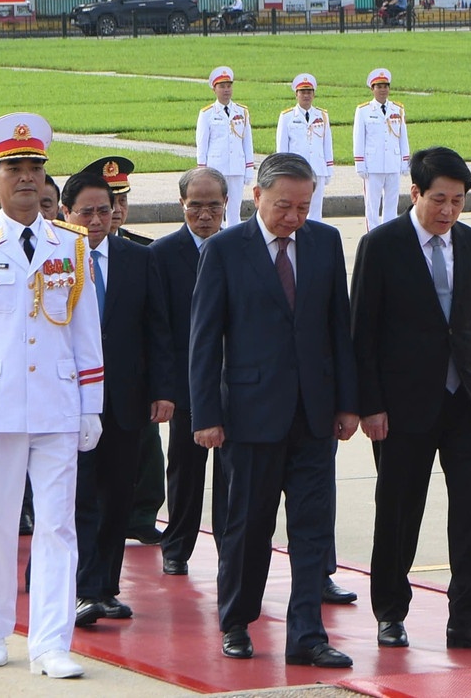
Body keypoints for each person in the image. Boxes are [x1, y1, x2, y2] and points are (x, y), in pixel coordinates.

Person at [0, 113, 103, 678]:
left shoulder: (70, 244)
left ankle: (52, 642)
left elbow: (85, 329)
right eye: (14, 170)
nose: (25, 179)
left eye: (34, 169)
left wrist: (91, 404)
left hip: (55, 404)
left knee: (57, 526)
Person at [189, 152, 359, 668]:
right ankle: (237, 621)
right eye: (285, 206)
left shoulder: (325, 243)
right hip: (250, 414)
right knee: (248, 525)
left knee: (312, 529)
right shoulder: (223, 250)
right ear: (257, 196)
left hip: (313, 415)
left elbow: (338, 328)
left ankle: (307, 633)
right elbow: (204, 339)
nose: (295, 218)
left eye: (304, 207)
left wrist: (348, 404)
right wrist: (205, 415)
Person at [351, 146, 471, 654]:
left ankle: (469, 620)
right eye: (439, 199)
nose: (448, 211)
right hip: (402, 407)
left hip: (464, 399)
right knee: (399, 510)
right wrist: (370, 405)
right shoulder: (382, 245)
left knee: (470, 511)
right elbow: (363, 334)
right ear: (415, 193)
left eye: (458, 201)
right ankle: (391, 614)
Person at [61, 170, 173, 628]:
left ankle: (105, 588)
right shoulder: (54, 260)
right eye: (85, 212)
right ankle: (80, 588)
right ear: (67, 213)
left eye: (103, 211)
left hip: (126, 403)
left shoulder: (138, 258)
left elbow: (157, 328)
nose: (95, 220)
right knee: (79, 497)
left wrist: (163, 391)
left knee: (117, 499)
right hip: (68, 402)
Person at [152, 167, 229, 576]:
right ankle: (177, 545)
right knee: (185, 468)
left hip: (234, 381)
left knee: (232, 474)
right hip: (185, 384)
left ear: (226, 205)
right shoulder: (161, 255)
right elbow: (159, 329)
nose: (204, 215)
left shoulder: (241, 247)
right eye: (195, 206)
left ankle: (229, 547)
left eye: (213, 205)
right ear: (181, 205)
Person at [195, 66, 254, 227]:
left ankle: (233, 240)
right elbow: (202, 144)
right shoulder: (207, 113)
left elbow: (247, 142)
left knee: (234, 208)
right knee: (216, 207)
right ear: (214, 89)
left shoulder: (242, 111)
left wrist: (249, 168)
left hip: (236, 166)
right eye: (222, 86)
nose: (226, 90)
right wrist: (202, 170)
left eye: (229, 86)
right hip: (216, 168)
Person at [353, 68, 410, 231]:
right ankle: (372, 235)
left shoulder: (397, 109)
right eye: (379, 86)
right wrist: (360, 164)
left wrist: (404, 161)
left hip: (392, 162)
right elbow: (358, 138)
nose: (383, 89)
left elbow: (403, 137)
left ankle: (389, 234)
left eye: (385, 86)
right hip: (373, 164)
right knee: (372, 205)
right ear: (372, 89)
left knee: (392, 203)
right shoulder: (363, 110)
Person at [275, 73, 335, 222]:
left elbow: (327, 143)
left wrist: (328, 169)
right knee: (296, 206)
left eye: (309, 92)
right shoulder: (287, 117)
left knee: (316, 208)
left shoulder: (322, 115)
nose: (306, 95)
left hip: (318, 167)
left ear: (314, 94)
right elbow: (282, 148)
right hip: (296, 169)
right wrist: (283, 171)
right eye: (302, 92)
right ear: (296, 94)